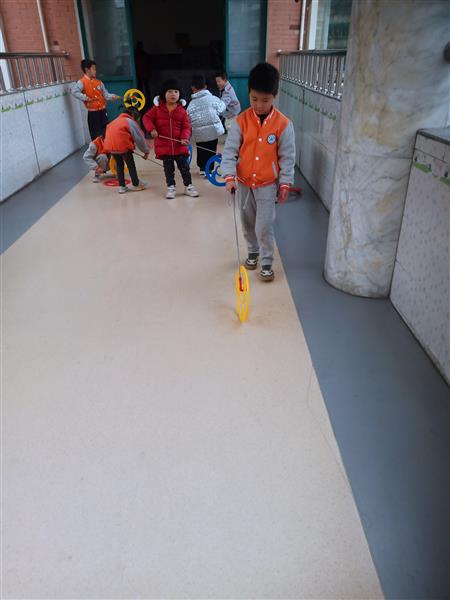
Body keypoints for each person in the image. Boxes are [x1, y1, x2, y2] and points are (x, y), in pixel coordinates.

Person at [221, 62, 295, 282]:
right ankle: (252, 251)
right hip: (244, 183)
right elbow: (230, 150)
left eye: (265, 100)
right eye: (254, 99)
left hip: (267, 185)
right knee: (247, 222)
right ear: (249, 93)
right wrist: (229, 176)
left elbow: (287, 157)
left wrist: (285, 183)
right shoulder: (241, 121)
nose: (259, 105)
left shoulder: (283, 124)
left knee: (264, 224)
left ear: (275, 96)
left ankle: (266, 261)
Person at [142, 79, 199, 199]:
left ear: (179, 94)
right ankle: (171, 187)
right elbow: (146, 118)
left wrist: (184, 137)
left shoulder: (182, 111)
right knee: (168, 169)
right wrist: (152, 129)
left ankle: (188, 186)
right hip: (164, 147)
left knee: (184, 168)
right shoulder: (157, 109)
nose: (173, 94)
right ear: (164, 93)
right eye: (170, 91)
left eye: (176, 92)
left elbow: (187, 127)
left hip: (180, 146)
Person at [103, 106, 149, 194]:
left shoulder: (114, 121)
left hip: (111, 147)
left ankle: (122, 187)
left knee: (119, 165)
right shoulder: (129, 121)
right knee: (130, 165)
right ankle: (136, 183)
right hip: (123, 147)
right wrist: (146, 151)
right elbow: (139, 138)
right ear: (133, 115)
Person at [187, 74, 226, 176]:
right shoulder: (213, 99)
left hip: (199, 133)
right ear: (205, 86)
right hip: (213, 131)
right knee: (211, 150)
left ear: (192, 88)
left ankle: (202, 168)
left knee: (201, 149)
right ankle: (209, 169)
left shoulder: (191, 104)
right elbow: (222, 108)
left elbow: (187, 117)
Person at [72, 59, 121, 140]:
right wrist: (85, 98)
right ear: (87, 70)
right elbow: (74, 92)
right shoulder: (82, 82)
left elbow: (106, 95)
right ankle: (97, 147)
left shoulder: (99, 82)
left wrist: (113, 96)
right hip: (93, 114)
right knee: (95, 135)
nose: (95, 71)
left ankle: (107, 147)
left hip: (103, 112)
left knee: (106, 132)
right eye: (93, 69)